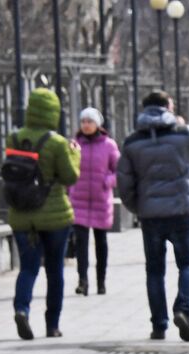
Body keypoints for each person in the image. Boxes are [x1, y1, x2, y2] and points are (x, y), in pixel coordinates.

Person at [116, 92, 189, 342]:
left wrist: (137, 207)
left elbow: (124, 182)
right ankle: (183, 309)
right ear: (168, 107)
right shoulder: (183, 134)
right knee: (188, 264)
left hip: (150, 215)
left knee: (154, 270)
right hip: (181, 211)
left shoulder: (132, 142)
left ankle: (158, 325)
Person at [6, 87, 80, 341]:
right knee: (54, 270)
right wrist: (74, 153)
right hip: (55, 216)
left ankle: (21, 309)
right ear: (54, 113)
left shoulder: (13, 139)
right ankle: (52, 325)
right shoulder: (57, 143)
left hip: (21, 214)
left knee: (27, 268)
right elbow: (70, 177)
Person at [68, 106, 117, 298]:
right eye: (83, 122)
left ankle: (101, 280)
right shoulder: (74, 145)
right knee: (80, 242)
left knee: (101, 242)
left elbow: (117, 169)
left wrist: (108, 182)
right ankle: (83, 280)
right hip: (79, 200)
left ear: (98, 124)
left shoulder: (108, 145)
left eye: (90, 121)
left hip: (100, 200)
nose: (86, 125)